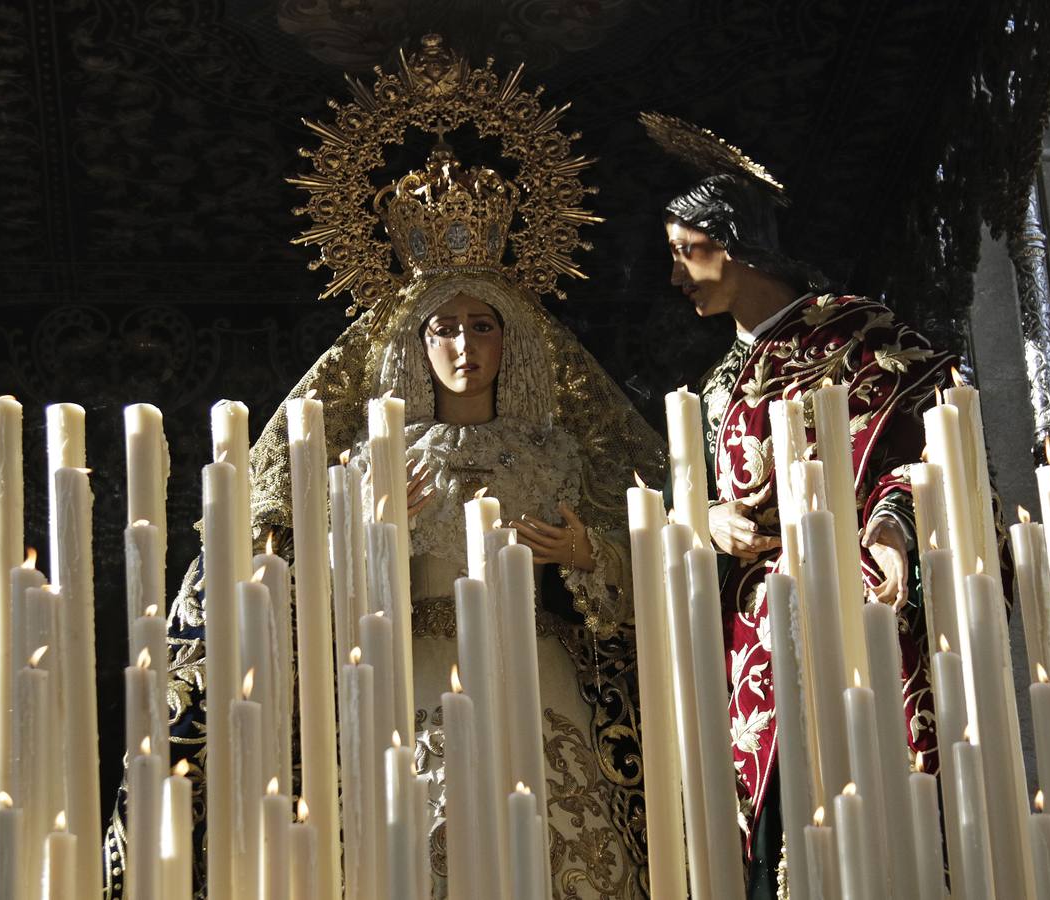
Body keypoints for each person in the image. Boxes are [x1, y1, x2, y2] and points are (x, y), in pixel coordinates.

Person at [102, 39, 662, 899]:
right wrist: (364, 533)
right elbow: (304, 598)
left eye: (482, 326)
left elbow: (645, 599)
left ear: (511, 338)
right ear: (415, 342)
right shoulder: (378, 461)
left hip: (542, 675)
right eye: (444, 327)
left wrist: (591, 558)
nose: (464, 345)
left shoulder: (559, 455)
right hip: (417, 676)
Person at [643, 112, 958, 898]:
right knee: (772, 831)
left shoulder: (855, 336)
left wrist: (891, 529)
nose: (677, 277)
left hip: (853, 601)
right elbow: (696, 497)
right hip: (753, 634)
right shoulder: (717, 386)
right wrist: (705, 518)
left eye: (688, 253)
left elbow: (931, 448)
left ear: (738, 244)